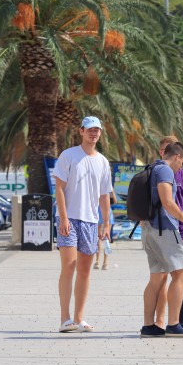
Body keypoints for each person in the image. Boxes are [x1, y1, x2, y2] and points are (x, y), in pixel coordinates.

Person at [54, 116, 113, 333]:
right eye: (90, 129)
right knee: (69, 267)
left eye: (97, 130)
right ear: (81, 131)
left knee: (85, 271)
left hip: (90, 220)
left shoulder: (103, 162)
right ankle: (64, 319)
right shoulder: (69, 155)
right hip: (68, 218)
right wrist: (64, 218)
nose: (93, 133)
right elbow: (59, 188)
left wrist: (106, 223)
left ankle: (79, 318)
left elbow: (104, 194)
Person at [140, 142, 183, 338]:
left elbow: (160, 202)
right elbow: (167, 201)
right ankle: (174, 324)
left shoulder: (153, 167)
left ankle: (149, 326)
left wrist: (181, 213)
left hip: (150, 229)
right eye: (182, 163)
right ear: (177, 157)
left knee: (156, 278)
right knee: (181, 275)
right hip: (165, 230)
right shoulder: (165, 171)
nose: (180, 167)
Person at [93, 191, 117, 270]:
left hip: (98, 211)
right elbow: (115, 201)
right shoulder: (109, 186)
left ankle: (97, 261)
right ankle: (105, 263)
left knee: (98, 237)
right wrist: (112, 192)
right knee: (106, 238)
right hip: (107, 211)